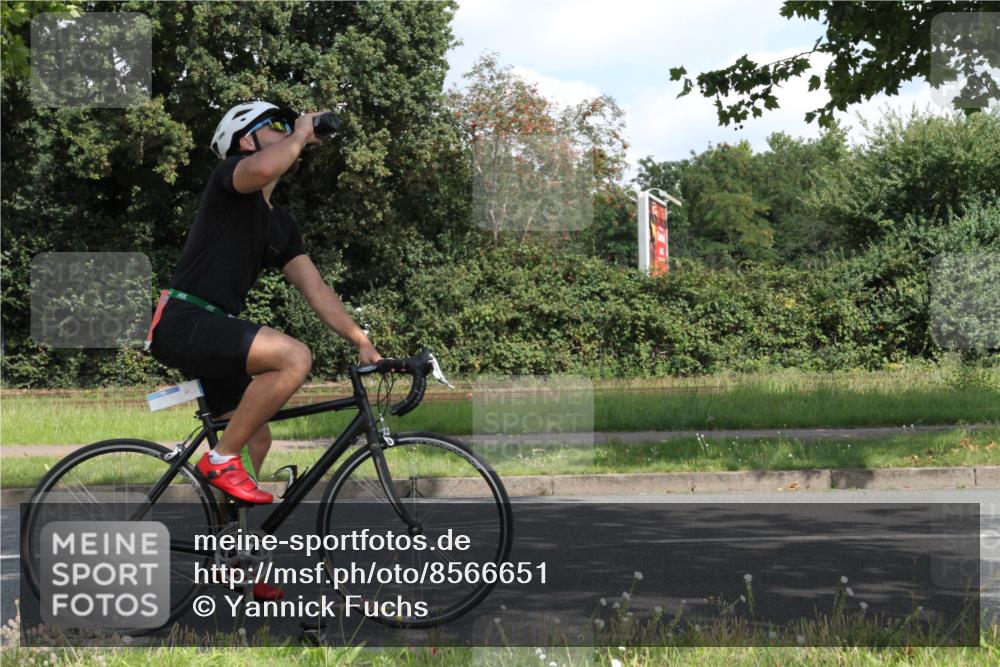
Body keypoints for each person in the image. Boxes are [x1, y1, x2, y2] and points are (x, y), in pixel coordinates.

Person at [148, 102, 382, 598]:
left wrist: (360, 338)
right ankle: (220, 458)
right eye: (273, 125)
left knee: (256, 438)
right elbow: (262, 170)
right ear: (245, 140)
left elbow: (316, 290)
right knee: (294, 357)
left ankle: (235, 557)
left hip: (212, 328)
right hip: (186, 319)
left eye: (286, 125)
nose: (285, 130)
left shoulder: (279, 225)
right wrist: (300, 134)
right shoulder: (230, 179)